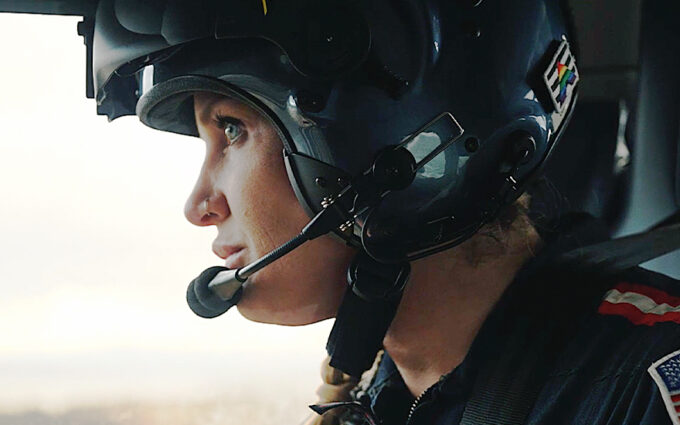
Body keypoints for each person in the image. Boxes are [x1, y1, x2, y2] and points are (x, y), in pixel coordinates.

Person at [6, 0, 680, 423]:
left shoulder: (645, 386)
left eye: (233, 130)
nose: (199, 205)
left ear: (389, 141)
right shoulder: (396, 391)